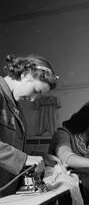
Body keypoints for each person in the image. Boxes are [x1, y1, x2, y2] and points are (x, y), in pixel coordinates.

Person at [0, 54, 58, 197]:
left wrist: (39, 156)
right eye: (36, 91)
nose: (33, 99)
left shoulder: (15, 108)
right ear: (26, 74)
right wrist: (25, 159)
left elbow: (12, 148)